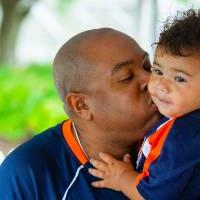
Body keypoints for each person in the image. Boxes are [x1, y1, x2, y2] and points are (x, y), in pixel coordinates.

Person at [0, 28, 160, 200]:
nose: (150, 80)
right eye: (127, 77)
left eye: (147, 66)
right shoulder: (29, 173)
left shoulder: (182, 136)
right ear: (81, 105)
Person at [89, 9, 200, 200]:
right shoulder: (181, 119)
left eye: (180, 78)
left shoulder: (186, 134)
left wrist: (122, 177)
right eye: (157, 70)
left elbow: (152, 196)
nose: (161, 86)